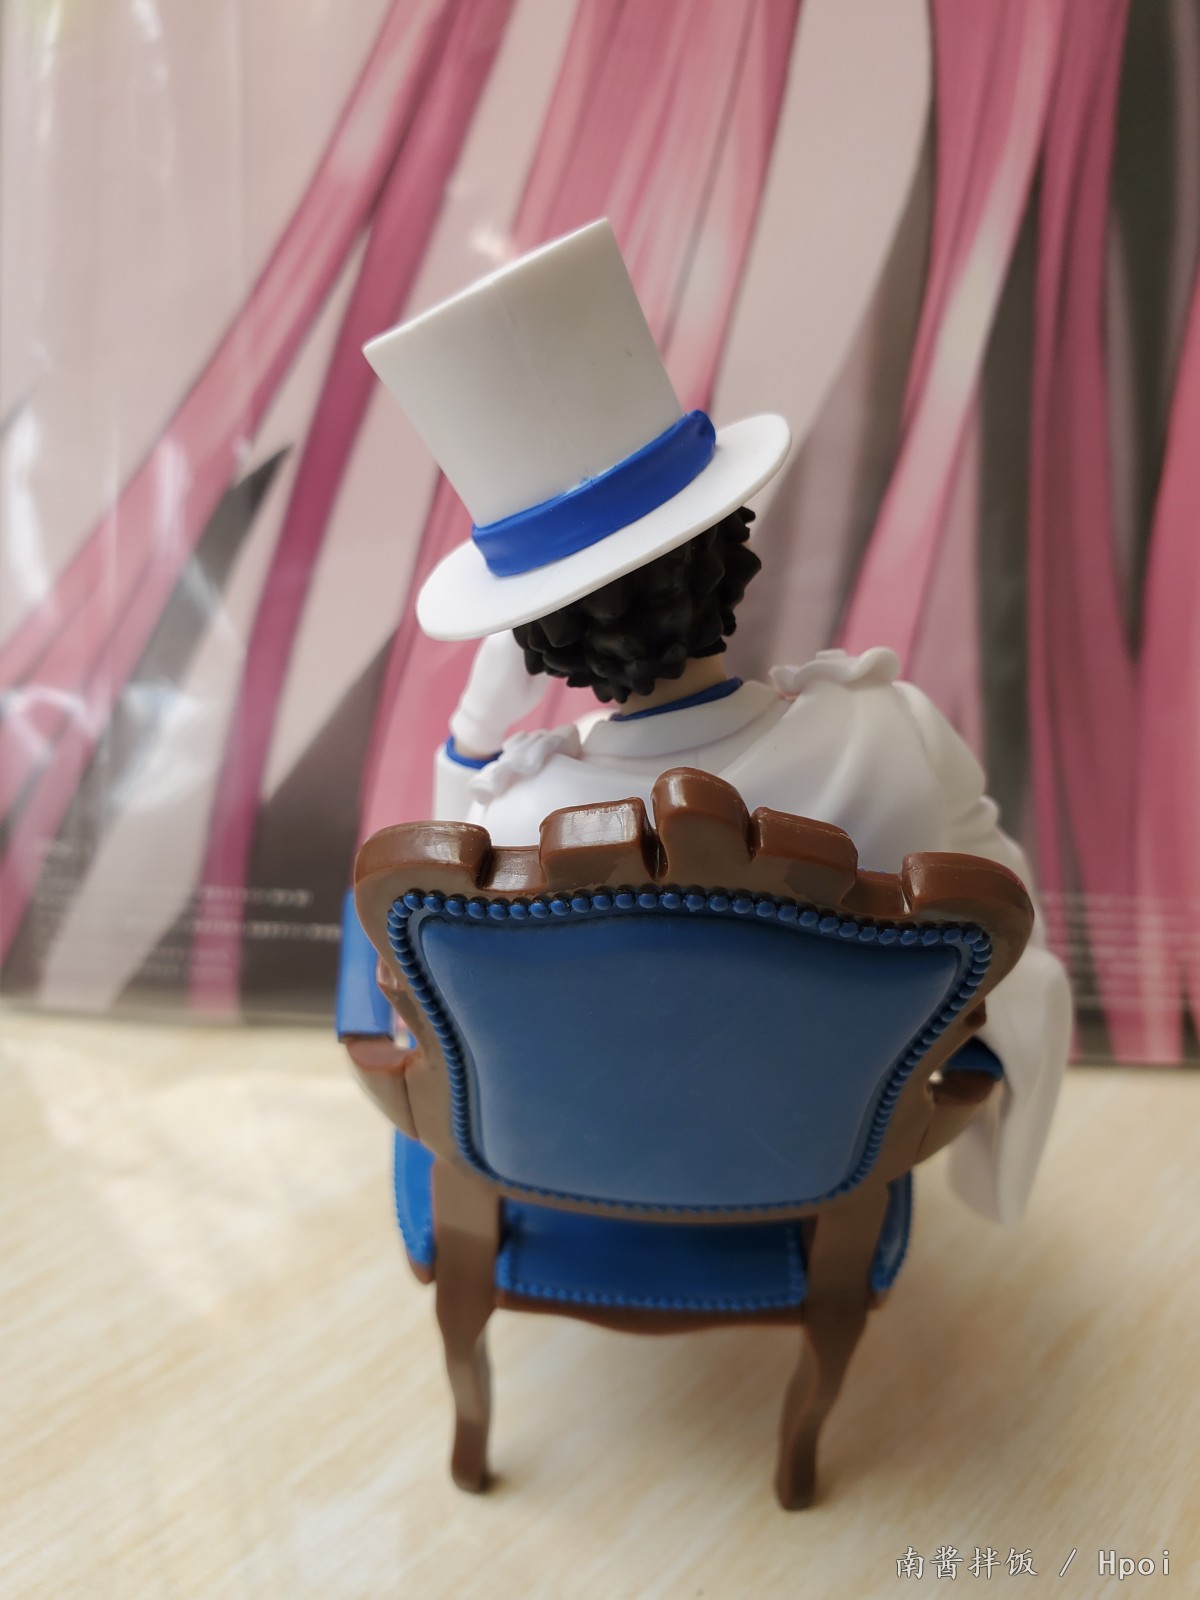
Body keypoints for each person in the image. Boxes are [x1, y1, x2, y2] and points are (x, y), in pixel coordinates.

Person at [364, 218, 1071, 1227]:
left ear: (539, 640)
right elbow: (1008, 932)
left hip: (570, 1156)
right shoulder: (895, 734)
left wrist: (475, 736)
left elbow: (431, 952)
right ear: (725, 553)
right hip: (825, 1153)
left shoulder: (516, 819)